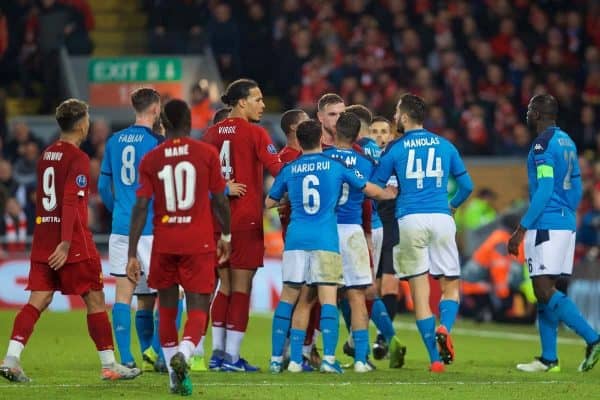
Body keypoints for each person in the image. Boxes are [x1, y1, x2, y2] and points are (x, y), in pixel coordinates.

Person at [0, 99, 141, 382]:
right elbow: (69, 202)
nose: (89, 123)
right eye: (87, 118)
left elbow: (44, 201)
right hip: (72, 241)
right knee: (95, 299)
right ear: (81, 124)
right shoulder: (77, 158)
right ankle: (110, 364)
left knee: (37, 299)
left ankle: (11, 358)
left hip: (43, 240)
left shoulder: (47, 154)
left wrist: (52, 239)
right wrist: (65, 243)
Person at [266, 119, 396, 374]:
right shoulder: (345, 164)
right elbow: (370, 191)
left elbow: (271, 201)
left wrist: (288, 199)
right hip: (340, 234)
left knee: (301, 297)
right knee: (352, 296)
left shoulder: (294, 167)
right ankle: (353, 359)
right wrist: (389, 193)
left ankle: (288, 359)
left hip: (301, 235)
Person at [126, 99, 231, 395]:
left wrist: (132, 252)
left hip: (164, 243)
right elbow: (220, 200)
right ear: (189, 122)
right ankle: (186, 350)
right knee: (198, 307)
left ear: (164, 125)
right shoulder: (206, 154)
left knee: (168, 308)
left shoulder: (151, 159)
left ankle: (175, 375)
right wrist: (227, 235)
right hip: (198, 241)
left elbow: (141, 206)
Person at [371, 93, 474, 372]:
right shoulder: (446, 145)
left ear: (404, 117)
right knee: (450, 285)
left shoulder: (395, 149)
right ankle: (445, 327)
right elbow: (467, 187)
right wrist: (451, 207)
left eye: (395, 113)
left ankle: (435, 360)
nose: (393, 118)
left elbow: (377, 187)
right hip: (441, 217)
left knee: (420, 293)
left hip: (408, 220)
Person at [508, 94, 600, 373]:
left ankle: (593, 338)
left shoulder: (542, 144)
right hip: (565, 223)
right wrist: (567, 213)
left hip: (546, 224)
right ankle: (549, 358)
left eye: (528, 110)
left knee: (544, 290)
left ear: (537, 113)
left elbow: (546, 187)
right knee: (545, 289)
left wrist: (521, 228)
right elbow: (577, 185)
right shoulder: (567, 141)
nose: (526, 114)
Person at [203, 79, 282, 372]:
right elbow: (279, 171)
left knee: (224, 287)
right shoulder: (255, 133)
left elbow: (201, 177)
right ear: (241, 103)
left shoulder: (210, 134)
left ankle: (217, 354)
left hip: (217, 223)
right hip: (246, 221)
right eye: (257, 99)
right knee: (241, 288)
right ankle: (232, 357)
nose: (262, 105)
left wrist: (222, 186)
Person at [98, 88, 164, 370]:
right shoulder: (157, 142)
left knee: (126, 294)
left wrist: (120, 213)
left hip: (122, 228)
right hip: (150, 228)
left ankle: (126, 358)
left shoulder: (113, 141)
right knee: (169, 292)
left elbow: (103, 187)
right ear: (155, 108)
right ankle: (161, 355)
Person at [348, 105, 406, 367]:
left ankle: (382, 339)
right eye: (375, 131)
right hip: (372, 223)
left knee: (372, 287)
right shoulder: (375, 154)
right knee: (367, 287)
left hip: (379, 224)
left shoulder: (366, 151)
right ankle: (365, 341)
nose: (380, 136)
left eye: (384, 131)